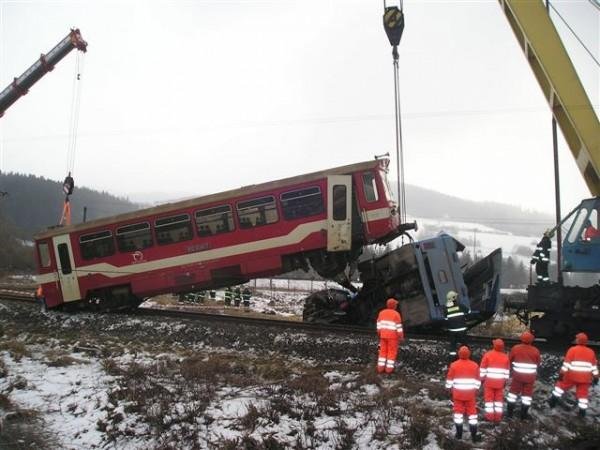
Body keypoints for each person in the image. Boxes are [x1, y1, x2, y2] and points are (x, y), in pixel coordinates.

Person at [549, 332, 599, 417]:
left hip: (572, 376)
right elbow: (593, 367)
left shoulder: (572, 350)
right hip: (585, 378)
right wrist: (596, 377)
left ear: (578, 340)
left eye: (576, 338)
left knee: (560, 387)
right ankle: (582, 412)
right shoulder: (591, 352)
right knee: (583, 395)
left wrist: (561, 374)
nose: (575, 339)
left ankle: (552, 402)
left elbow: (566, 364)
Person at [446, 345, 481, 442]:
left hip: (458, 395)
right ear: (469, 354)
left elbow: (449, 379)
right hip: (470, 395)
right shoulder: (475, 365)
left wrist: (449, 388)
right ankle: (474, 434)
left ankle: (459, 434)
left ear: (459, 354)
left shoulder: (454, 365)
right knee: (472, 415)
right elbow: (478, 380)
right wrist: (476, 389)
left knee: (458, 414)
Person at [506, 331, 541, 420]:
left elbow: (509, 360)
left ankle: (509, 414)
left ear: (521, 339)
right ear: (531, 340)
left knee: (512, 394)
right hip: (530, 378)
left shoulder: (515, 348)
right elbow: (538, 363)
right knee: (527, 397)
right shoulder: (535, 350)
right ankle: (523, 415)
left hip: (517, 377)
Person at [479, 338, 510, 423]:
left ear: (494, 345)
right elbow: (507, 371)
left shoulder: (488, 355)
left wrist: (482, 379)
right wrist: (505, 381)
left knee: (489, 400)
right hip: (500, 383)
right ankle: (498, 417)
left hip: (489, 382)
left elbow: (482, 369)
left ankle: (489, 417)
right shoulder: (505, 357)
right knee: (498, 401)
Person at [376, 298, 404, 374]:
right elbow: (399, 327)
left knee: (382, 352)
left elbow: (378, 325)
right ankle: (389, 370)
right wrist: (401, 337)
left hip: (383, 336)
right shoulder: (396, 314)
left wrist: (379, 333)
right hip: (393, 337)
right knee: (391, 352)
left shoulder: (381, 313)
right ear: (394, 306)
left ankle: (380, 369)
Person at [445, 290, 468, 357]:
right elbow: (468, 311)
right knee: (464, 344)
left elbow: (446, 319)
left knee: (453, 344)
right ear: (454, 298)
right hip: (462, 329)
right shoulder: (460, 305)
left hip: (452, 330)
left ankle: (453, 357)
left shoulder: (446, 308)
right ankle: (465, 356)